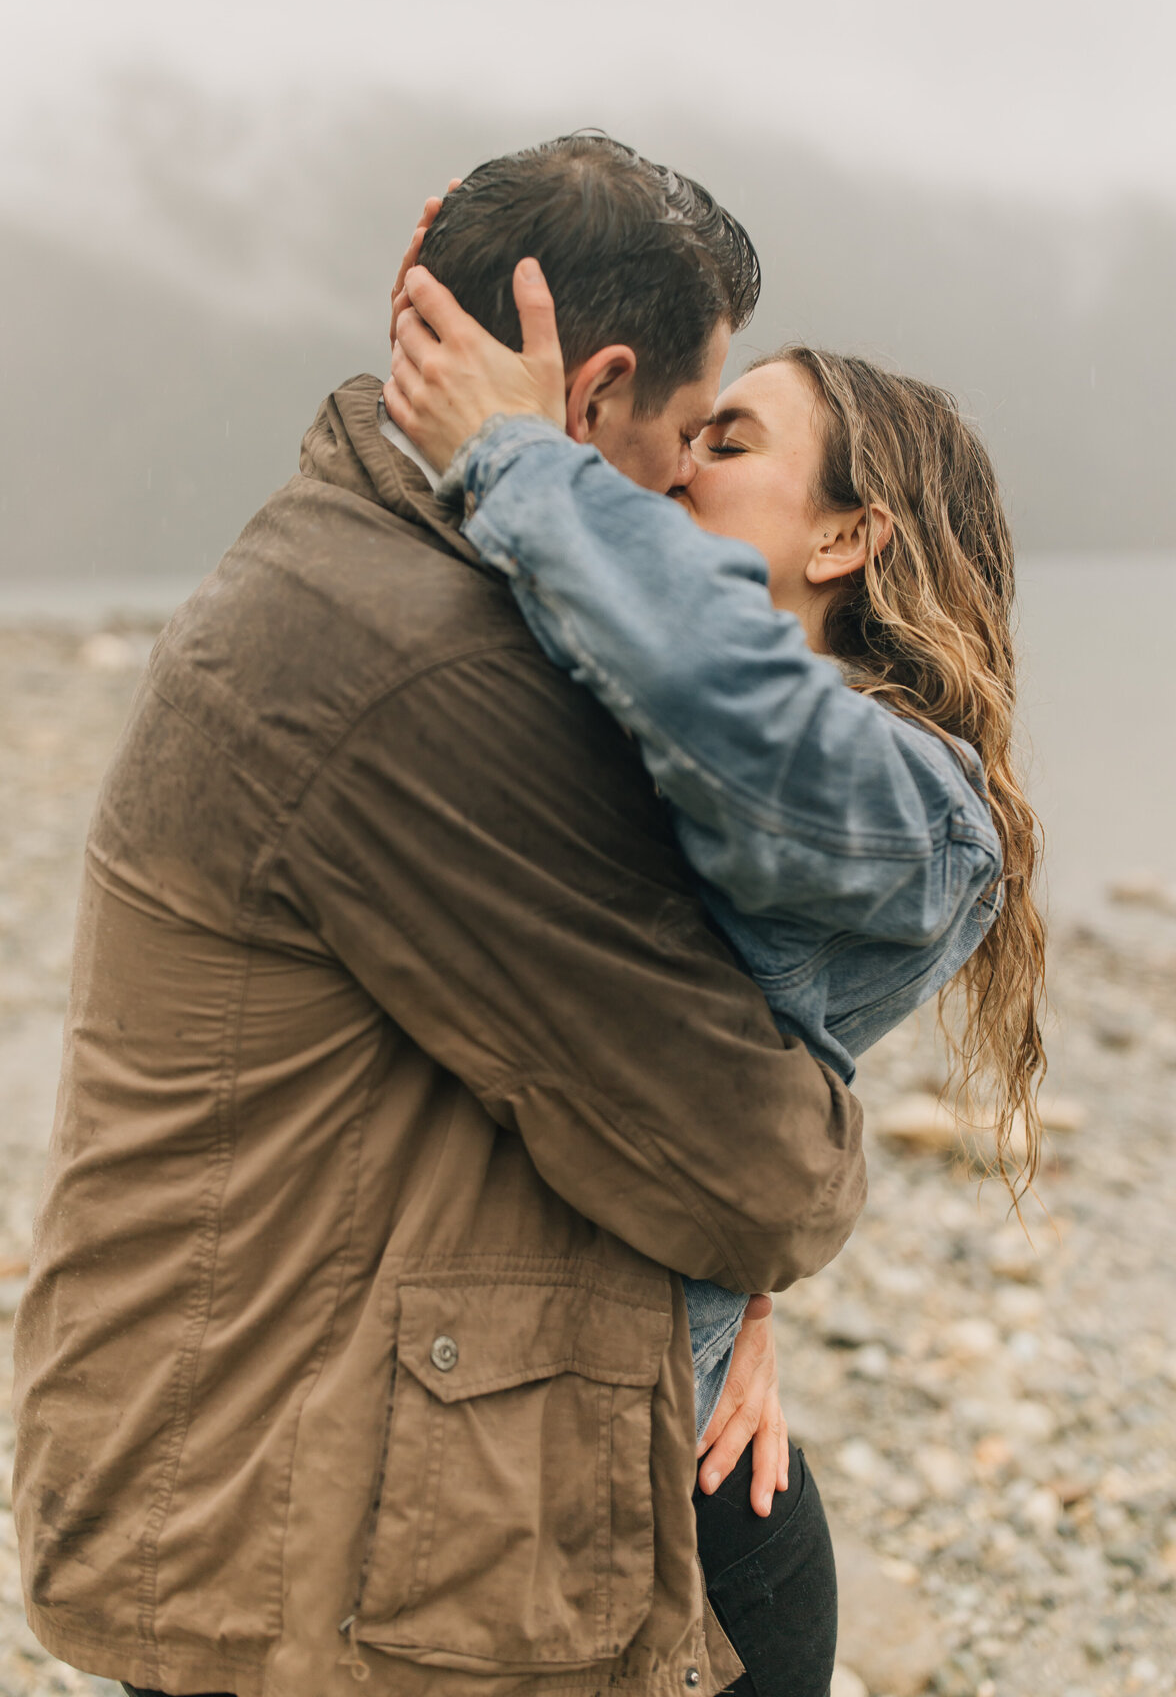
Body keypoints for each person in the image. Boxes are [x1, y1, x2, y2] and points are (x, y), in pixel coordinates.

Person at [12, 135, 866, 1697]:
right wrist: (786, 1209)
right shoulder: (415, 660)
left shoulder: (378, 566)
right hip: (273, 1518)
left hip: (270, 1438)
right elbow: (749, 1165)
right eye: (682, 432)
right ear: (589, 391)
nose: (685, 484)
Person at [382, 236, 1048, 1694]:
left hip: (684, 1517)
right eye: (689, 426)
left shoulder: (924, 810)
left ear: (842, 540)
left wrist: (508, 453)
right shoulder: (615, 700)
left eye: (729, 441)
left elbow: (742, 738)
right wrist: (473, 300)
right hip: (500, 1436)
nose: (680, 460)